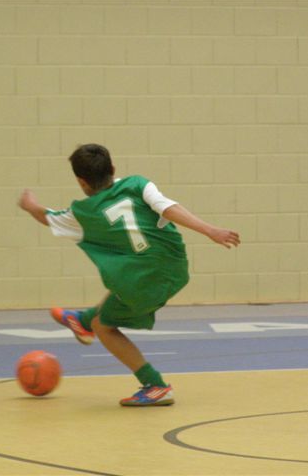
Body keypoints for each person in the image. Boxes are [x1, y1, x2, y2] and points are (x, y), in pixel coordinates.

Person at [19, 143, 240, 406]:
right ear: (113, 168)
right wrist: (210, 230)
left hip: (143, 284)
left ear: (81, 182)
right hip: (175, 268)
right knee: (122, 281)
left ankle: (155, 385)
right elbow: (168, 208)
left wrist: (30, 205)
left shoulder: (82, 213)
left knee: (105, 325)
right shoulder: (137, 184)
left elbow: (47, 217)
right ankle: (82, 320)